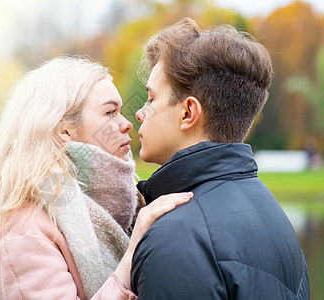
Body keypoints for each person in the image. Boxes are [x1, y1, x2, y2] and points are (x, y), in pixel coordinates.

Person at [0, 56, 193, 300]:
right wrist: (132, 253)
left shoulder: (132, 204)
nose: (127, 124)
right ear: (64, 130)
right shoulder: (25, 230)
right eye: (110, 112)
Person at [131, 18, 310, 299]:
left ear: (188, 113)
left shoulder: (176, 237)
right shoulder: (276, 218)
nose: (140, 113)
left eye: (151, 99)